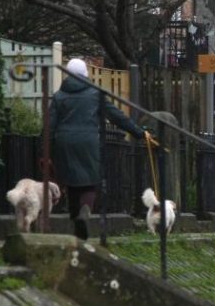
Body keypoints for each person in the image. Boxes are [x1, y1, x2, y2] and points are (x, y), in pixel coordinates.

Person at [49, 58, 153, 239]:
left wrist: (44, 151)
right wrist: (139, 133)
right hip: (88, 142)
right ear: (85, 75)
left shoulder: (59, 96)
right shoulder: (95, 94)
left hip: (64, 143)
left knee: (72, 184)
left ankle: (76, 224)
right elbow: (117, 117)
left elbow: (49, 125)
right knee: (90, 184)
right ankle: (85, 212)